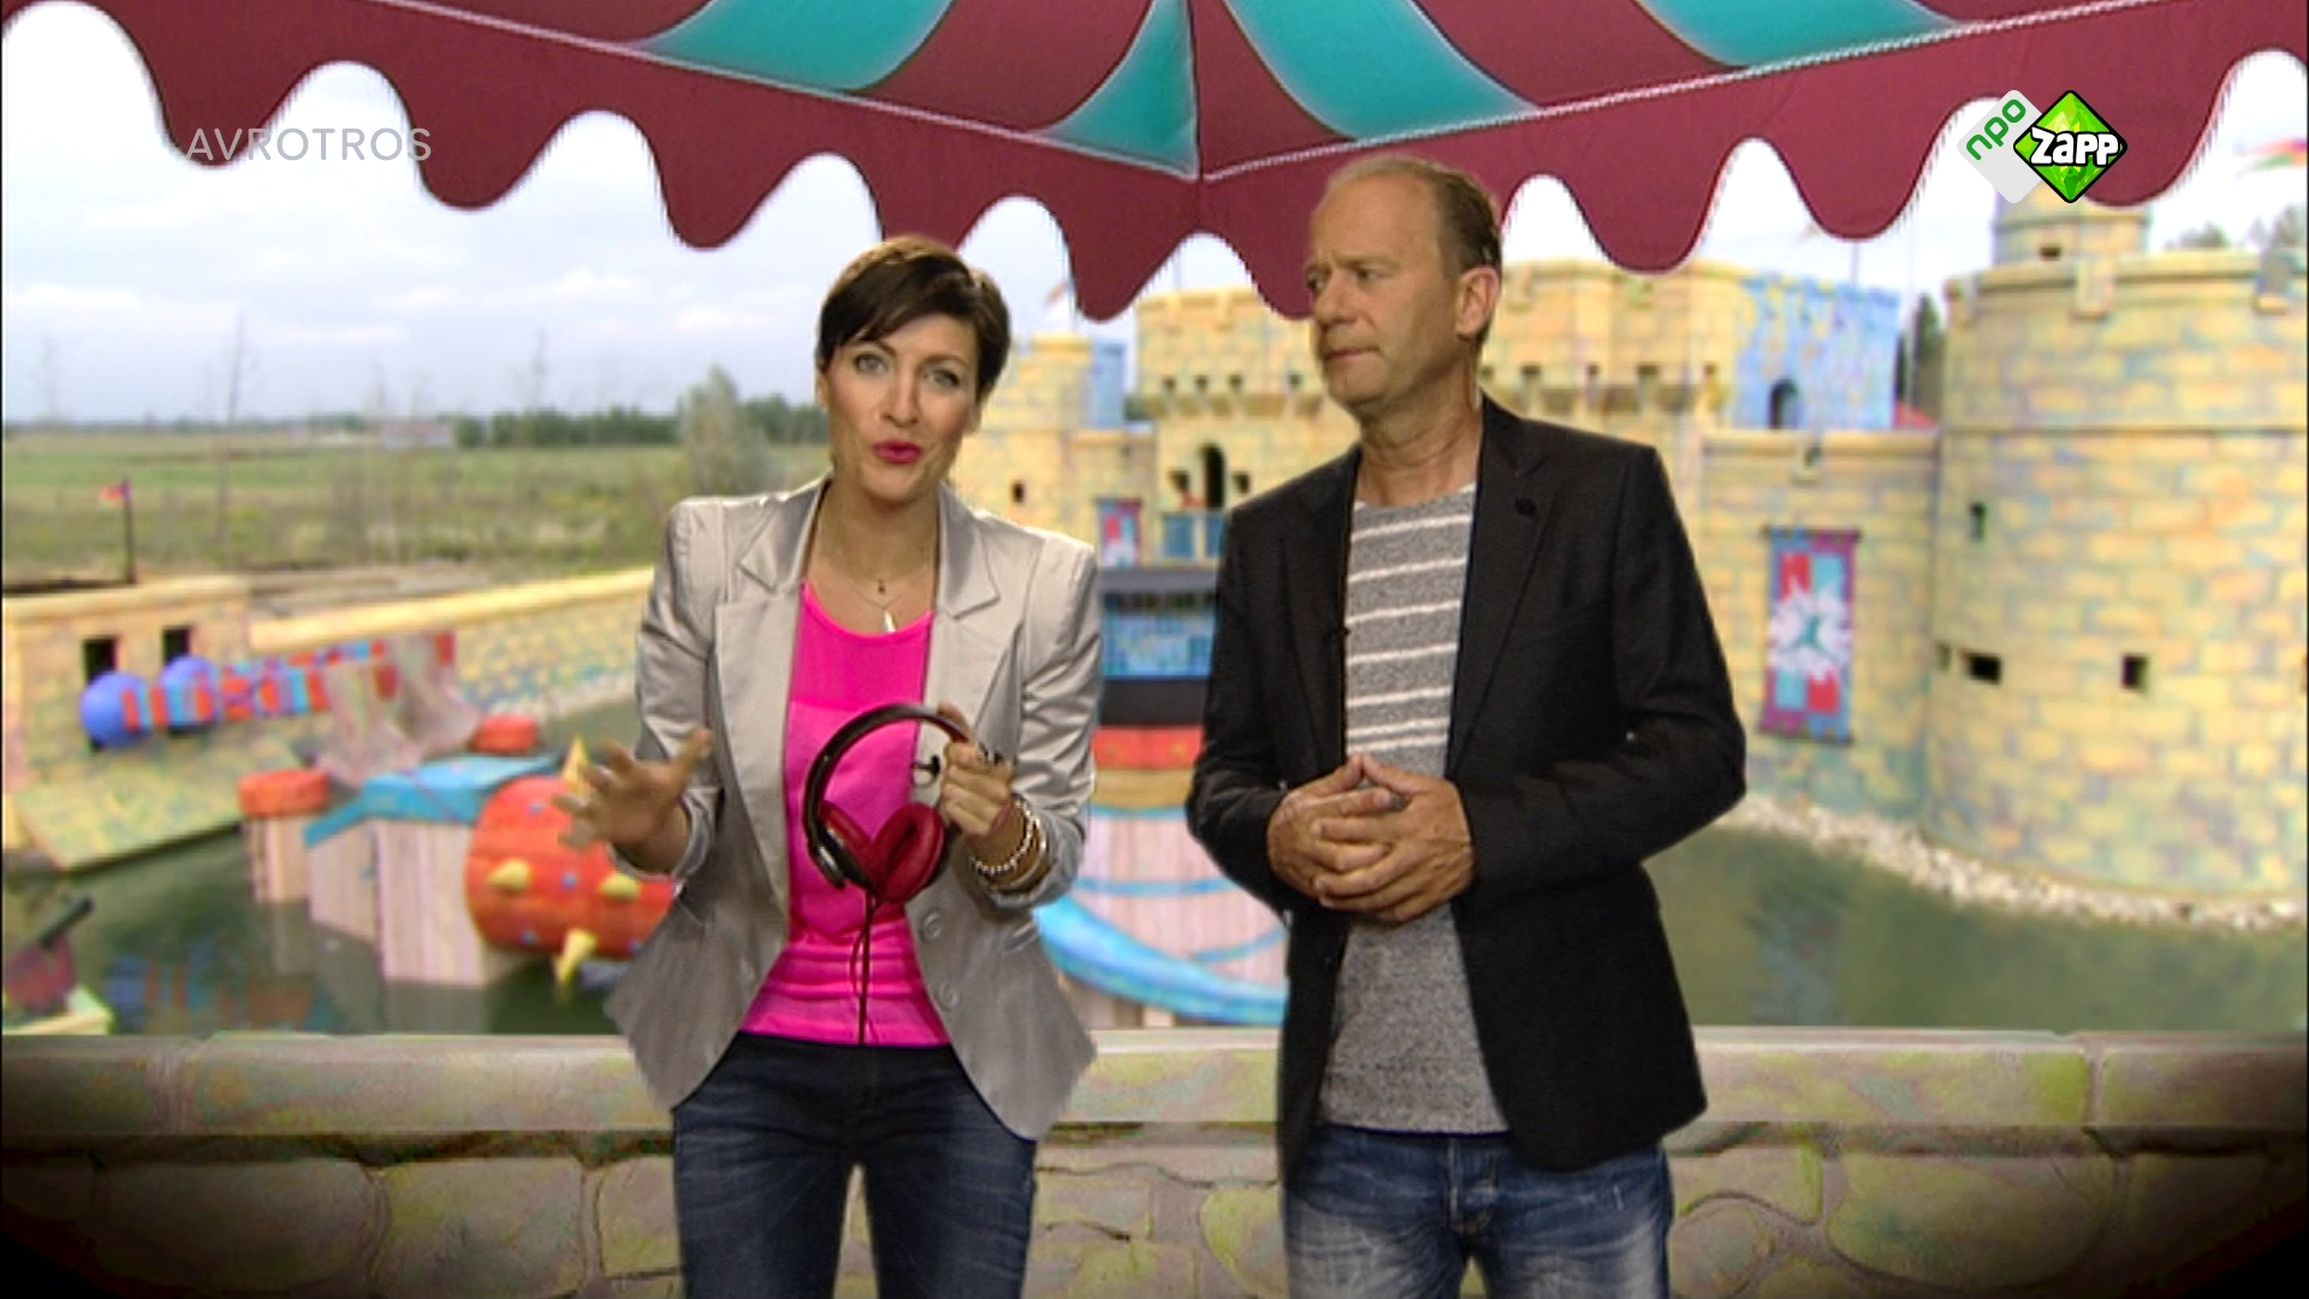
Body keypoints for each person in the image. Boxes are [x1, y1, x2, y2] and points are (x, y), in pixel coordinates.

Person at [1185, 156, 1746, 1298]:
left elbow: (1697, 751)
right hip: (1348, 1142)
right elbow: (1222, 781)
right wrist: (1276, 832)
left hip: (1575, 1131)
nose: (1329, 306)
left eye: (1367, 274)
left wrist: (1479, 835)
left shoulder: (1602, 497)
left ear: (1470, 299)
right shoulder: (1270, 540)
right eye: (1317, 280)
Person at [562, 236, 1101, 1299]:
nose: (902, 407)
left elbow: (1052, 855)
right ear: (822, 378)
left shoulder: (1047, 585)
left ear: (973, 408)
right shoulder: (710, 557)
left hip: (964, 1062)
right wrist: (648, 825)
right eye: (871, 364)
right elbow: (690, 822)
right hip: (746, 1050)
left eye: (941, 377)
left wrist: (1001, 829)